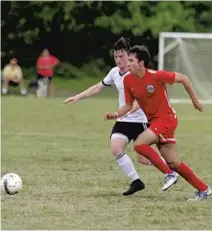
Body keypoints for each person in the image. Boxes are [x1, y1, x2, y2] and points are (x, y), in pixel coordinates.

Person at [63, 37, 178, 196]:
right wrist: (78, 96)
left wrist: (132, 108)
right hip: (124, 120)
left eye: (122, 57)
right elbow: (98, 87)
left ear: (130, 55)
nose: (119, 60)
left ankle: (170, 169)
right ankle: (136, 182)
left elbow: (142, 97)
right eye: (116, 57)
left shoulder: (137, 73)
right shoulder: (114, 72)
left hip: (141, 120)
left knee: (142, 159)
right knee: (116, 148)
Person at [104, 45, 212, 201]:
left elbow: (184, 78)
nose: (127, 64)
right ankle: (204, 189)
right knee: (174, 162)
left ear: (141, 63)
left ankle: (169, 174)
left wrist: (195, 101)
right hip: (154, 122)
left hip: (166, 119)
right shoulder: (127, 80)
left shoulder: (156, 76)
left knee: (139, 144)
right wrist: (115, 114)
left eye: (131, 60)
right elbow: (128, 105)